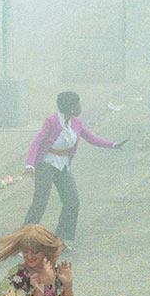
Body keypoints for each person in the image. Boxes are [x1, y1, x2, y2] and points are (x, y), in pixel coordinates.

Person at [23, 89, 118, 248]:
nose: (81, 107)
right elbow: (36, 143)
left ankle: (61, 239)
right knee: (40, 202)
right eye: (78, 104)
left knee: (72, 200)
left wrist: (113, 145)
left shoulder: (76, 122)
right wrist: (30, 165)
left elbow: (91, 138)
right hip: (46, 163)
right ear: (71, 107)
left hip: (63, 165)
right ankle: (24, 241)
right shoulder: (52, 122)